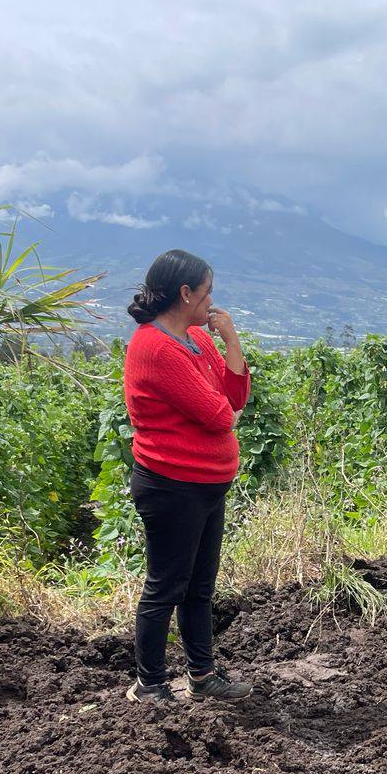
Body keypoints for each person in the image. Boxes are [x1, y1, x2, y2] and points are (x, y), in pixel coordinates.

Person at [122, 249, 254, 703]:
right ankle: (150, 684)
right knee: (166, 586)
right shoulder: (156, 347)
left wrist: (231, 338)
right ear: (185, 293)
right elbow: (220, 415)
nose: (211, 300)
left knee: (199, 586)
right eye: (206, 291)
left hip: (206, 484)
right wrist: (227, 411)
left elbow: (236, 395)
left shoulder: (197, 336)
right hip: (172, 485)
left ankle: (202, 676)